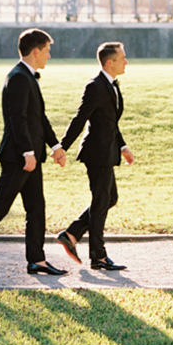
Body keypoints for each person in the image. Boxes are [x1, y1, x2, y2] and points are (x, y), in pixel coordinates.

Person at [0, 28, 70, 279]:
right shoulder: (18, 77)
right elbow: (16, 120)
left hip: (31, 157)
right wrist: (28, 152)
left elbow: (38, 118)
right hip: (18, 157)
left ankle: (37, 261)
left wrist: (55, 146)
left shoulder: (28, 76)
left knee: (36, 208)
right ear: (36, 51)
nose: (49, 56)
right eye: (47, 51)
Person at [56, 42, 135, 271]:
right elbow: (80, 118)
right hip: (96, 153)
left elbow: (110, 122)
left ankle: (71, 234)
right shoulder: (95, 86)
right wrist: (62, 147)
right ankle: (98, 257)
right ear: (109, 62)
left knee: (108, 199)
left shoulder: (111, 85)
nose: (126, 62)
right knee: (101, 202)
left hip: (108, 151)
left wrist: (123, 147)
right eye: (123, 58)